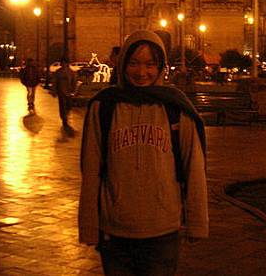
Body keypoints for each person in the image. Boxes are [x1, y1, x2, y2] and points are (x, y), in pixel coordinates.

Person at [79, 30, 208, 276]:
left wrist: (197, 223)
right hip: (115, 231)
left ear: (161, 66)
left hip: (163, 230)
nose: (141, 72)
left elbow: (194, 167)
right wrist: (88, 226)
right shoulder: (104, 106)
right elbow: (91, 170)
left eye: (150, 64)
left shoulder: (175, 107)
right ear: (123, 62)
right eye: (134, 63)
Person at [53, 57, 76, 136]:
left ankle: (66, 115)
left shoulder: (71, 72)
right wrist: (54, 90)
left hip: (69, 92)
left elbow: (74, 81)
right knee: (62, 106)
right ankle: (64, 118)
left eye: (64, 63)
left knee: (69, 106)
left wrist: (74, 90)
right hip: (61, 92)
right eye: (62, 63)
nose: (63, 64)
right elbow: (55, 82)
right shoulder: (58, 72)